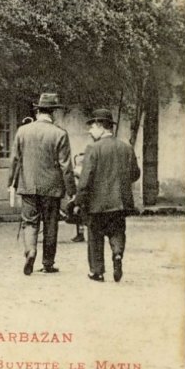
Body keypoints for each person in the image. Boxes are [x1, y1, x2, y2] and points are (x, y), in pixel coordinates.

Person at [9, 93, 77, 276]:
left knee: (29, 222)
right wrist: (72, 191)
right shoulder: (60, 134)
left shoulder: (22, 131)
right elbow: (66, 166)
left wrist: (11, 183)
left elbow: (15, 159)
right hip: (52, 187)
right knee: (50, 224)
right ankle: (48, 263)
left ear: (37, 111)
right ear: (53, 113)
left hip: (28, 185)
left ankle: (30, 251)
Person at [73, 109, 140, 283]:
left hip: (97, 203)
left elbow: (86, 178)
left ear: (101, 127)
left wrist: (79, 201)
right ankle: (117, 254)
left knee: (95, 235)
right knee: (117, 230)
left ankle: (97, 271)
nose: (89, 131)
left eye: (92, 127)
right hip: (119, 201)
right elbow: (135, 174)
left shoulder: (93, 149)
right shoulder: (126, 148)